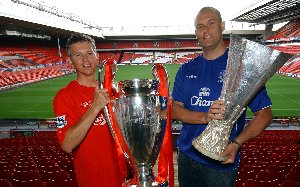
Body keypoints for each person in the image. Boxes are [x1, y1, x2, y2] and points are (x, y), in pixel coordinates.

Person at [171, 7, 273, 187]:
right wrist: (204, 117)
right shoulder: (185, 69)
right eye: (200, 26)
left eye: (211, 23)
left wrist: (236, 143)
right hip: (186, 157)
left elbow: (264, 114)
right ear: (196, 33)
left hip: (220, 164)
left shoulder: (241, 69)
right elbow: (175, 110)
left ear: (222, 26)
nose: (206, 30)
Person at [52, 33, 126, 187]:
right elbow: (67, 144)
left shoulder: (116, 89)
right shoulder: (64, 96)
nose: (85, 60)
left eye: (89, 53)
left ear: (97, 56)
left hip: (126, 178)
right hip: (94, 181)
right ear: (70, 62)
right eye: (78, 55)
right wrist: (95, 107)